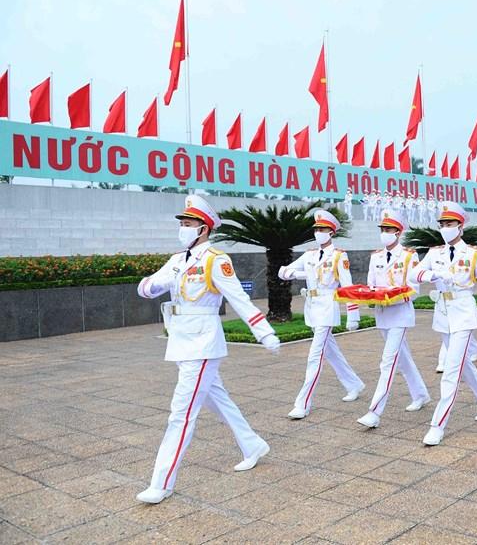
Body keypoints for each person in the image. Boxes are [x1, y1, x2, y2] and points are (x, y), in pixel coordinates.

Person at [135, 196, 279, 505]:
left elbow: (239, 298)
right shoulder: (177, 260)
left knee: (181, 413)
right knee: (219, 400)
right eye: (181, 224)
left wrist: (264, 332)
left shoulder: (215, 260)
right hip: (180, 339)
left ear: (202, 229)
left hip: (202, 342)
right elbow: (145, 288)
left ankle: (161, 482)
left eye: (186, 225)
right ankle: (252, 444)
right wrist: (156, 282)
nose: (181, 229)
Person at [413, 202, 477, 446]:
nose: (444, 228)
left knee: (451, 370)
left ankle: (437, 425)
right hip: (443, 315)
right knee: (463, 365)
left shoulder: (472, 254)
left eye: (449, 224)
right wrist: (432, 275)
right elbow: (413, 273)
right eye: (442, 224)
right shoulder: (434, 253)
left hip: (463, 313)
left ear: (460, 226)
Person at [278, 210, 365, 420]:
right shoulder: (309, 255)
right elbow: (283, 272)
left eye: (323, 229)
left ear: (331, 232)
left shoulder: (338, 256)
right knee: (331, 352)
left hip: (328, 306)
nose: (319, 233)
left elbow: (347, 285)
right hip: (312, 306)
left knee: (315, 356)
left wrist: (353, 315)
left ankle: (303, 404)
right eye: (316, 229)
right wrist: (303, 273)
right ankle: (354, 384)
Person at [356, 210, 430, 428]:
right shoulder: (375, 256)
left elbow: (414, 288)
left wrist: (391, 296)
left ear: (398, 232)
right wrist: (369, 296)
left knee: (388, 361)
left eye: (388, 230)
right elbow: (371, 284)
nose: (384, 233)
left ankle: (374, 412)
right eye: (382, 230)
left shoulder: (409, 256)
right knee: (403, 358)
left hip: (400, 314)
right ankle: (421, 394)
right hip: (382, 314)